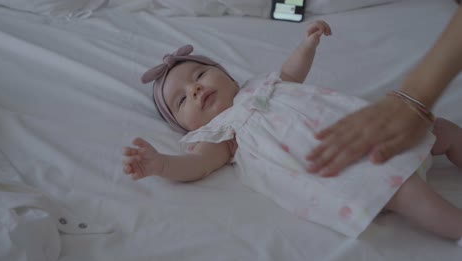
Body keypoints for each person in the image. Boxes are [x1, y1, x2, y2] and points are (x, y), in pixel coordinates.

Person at [122, 20, 462, 243]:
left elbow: (291, 71)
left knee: (440, 130)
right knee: (411, 196)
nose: (195, 90)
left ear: (226, 75)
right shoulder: (221, 134)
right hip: (350, 169)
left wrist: (308, 45)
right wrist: (162, 164)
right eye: (182, 100)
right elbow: (196, 165)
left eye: (199, 76)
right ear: (186, 128)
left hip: (370, 128)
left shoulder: (262, 85)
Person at [306, 6, 462, 177]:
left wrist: (414, 95)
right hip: (371, 152)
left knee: (441, 132)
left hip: (388, 147)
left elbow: (289, 74)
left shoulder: (274, 83)